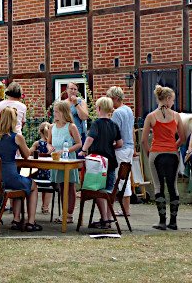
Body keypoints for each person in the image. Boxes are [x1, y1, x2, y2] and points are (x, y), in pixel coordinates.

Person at [0, 108, 42, 232]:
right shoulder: (17, 137)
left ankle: (16, 220)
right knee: (32, 186)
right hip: (8, 178)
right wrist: (32, 147)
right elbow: (27, 155)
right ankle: (31, 222)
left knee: (19, 185)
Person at [141, 85, 186, 230]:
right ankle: (173, 221)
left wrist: (150, 153)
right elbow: (183, 137)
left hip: (156, 153)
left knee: (159, 186)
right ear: (167, 99)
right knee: (173, 186)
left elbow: (143, 140)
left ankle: (162, 221)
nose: (173, 103)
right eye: (172, 100)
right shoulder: (176, 116)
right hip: (172, 154)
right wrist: (173, 145)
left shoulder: (151, 116)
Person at [79, 96, 124, 229]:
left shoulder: (96, 124)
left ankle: (104, 218)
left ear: (98, 109)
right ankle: (108, 220)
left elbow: (90, 138)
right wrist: (111, 147)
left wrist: (83, 150)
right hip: (111, 162)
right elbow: (120, 143)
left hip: (98, 164)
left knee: (97, 189)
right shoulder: (114, 125)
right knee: (109, 191)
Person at [48, 101, 82, 224]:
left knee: (70, 185)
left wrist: (66, 150)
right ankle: (63, 212)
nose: (55, 114)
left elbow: (79, 144)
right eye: (54, 111)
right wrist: (49, 148)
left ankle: (69, 214)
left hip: (68, 158)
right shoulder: (52, 127)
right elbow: (49, 142)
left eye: (57, 111)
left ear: (63, 112)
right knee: (61, 186)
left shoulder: (71, 126)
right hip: (57, 159)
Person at [106, 86, 134, 218]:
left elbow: (113, 132)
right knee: (126, 178)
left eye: (110, 98)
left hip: (120, 149)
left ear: (115, 99)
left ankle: (125, 210)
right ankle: (126, 209)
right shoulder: (128, 110)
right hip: (129, 147)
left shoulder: (117, 113)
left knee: (120, 180)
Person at [29, 121, 53, 214]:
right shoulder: (51, 144)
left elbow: (30, 152)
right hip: (48, 172)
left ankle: (34, 205)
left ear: (40, 131)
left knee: (36, 185)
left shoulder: (37, 143)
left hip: (37, 172)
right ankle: (45, 207)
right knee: (48, 187)